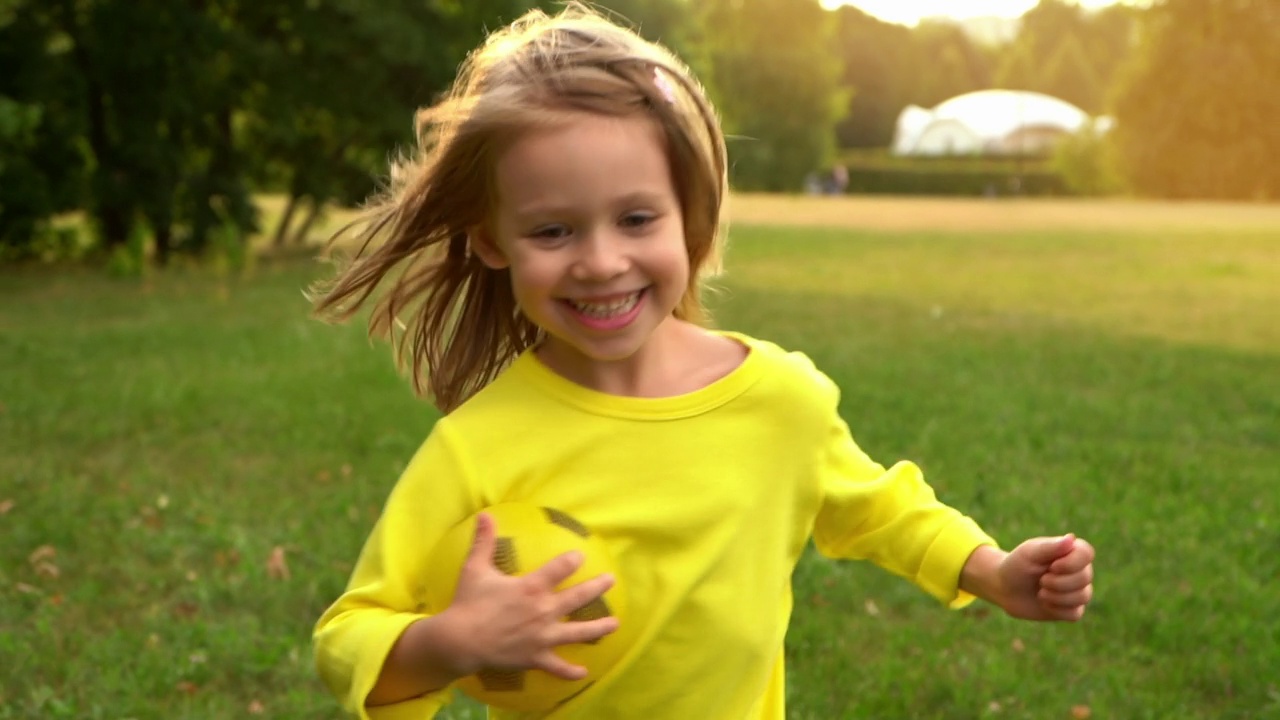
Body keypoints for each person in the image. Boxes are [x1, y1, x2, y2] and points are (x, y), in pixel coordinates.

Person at [309, 5, 1096, 719]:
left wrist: (987, 569)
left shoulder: (780, 399)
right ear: (491, 240)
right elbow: (350, 632)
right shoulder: (478, 446)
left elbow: (875, 507)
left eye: (637, 217)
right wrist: (448, 644)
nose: (601, 261)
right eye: (553, 232)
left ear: (693, 212)